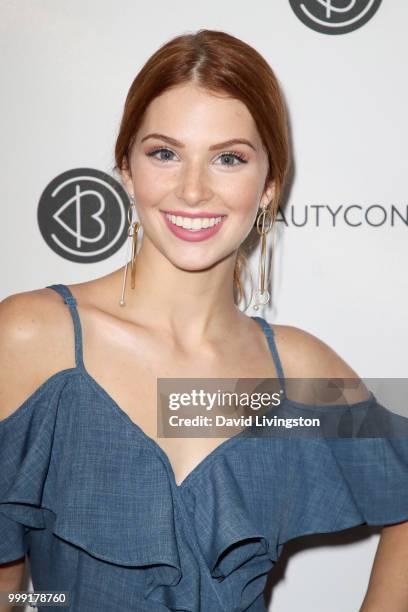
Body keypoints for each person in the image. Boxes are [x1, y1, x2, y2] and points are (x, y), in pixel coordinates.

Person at [1, 29, 408, 612]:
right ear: (125, 169)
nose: (192, 190)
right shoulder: (32, 337)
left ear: (269, 186)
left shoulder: (294, 369)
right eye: (164, 153)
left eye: (228, 158)